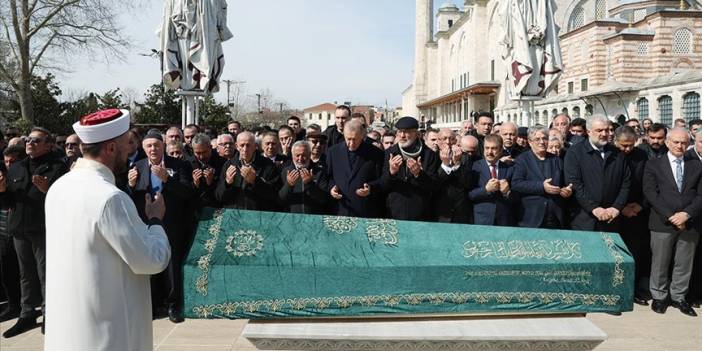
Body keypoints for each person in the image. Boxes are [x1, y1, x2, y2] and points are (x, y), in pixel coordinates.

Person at [44, 108, 170, 350]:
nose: (131, 149)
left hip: (69, 333)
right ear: (111, 148)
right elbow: (151, 260)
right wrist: (155, 220)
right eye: (127, 143)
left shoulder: (59, 187)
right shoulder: (110, 197)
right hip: (107, 335)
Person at [0, 127, 69, 338]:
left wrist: (48, 190)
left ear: (48, 144)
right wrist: (2, 190)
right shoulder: (16, 167)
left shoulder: (58, 167)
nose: (30, 143)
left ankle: (50, 315)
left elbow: (65, 200)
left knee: (45, 274)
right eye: (28, 140)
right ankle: (27, 313)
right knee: (25, 275)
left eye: (36, 141)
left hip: (43, 229)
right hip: (19, 229)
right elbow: (8, 202)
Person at [128, 131, 193, 323]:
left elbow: (188, 192)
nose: (153, 149)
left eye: (156, 145)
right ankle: (153, 305)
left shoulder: (178, 165)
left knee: (172, 266)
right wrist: (131, 185)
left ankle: (174, 306)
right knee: (150, 264)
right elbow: (129, 196)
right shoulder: (137, 166)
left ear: (163, 146)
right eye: (149, 146)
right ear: (143, 148)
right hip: (147, 224)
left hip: (172, 222)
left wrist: (167, 179)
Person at [643, 128, 701, 317]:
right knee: (660, 261)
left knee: (684, 262)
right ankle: (659, 297)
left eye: (684, 142)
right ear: (667, 142)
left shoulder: (696, 165)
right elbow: (651, 193)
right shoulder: (653, 164)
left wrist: (687, 214)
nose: (680, 146)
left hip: (689, 222)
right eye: (676, 142)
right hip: (663, 222)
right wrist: (671, 216)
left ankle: (679, 297)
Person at [564, 115, 631, 232]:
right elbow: (575, 183)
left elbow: (626, 182)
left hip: (612, 218)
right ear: (588, 131)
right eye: (599, 130)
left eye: (606, 130)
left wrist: (616, 207)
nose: (604, 134)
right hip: (584, 219)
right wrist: (594, 208)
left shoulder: (617, 154)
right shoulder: (575, 153)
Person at [614, 126, 651, 306]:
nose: (627, 149)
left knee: (636, 253)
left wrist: (640, 205)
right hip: (615, 211)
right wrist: (619, 207)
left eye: (630, 145)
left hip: (637, 210)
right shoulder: (612, 154)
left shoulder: (641, 156)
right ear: (616, 142)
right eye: (623, 145)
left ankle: (635, 290)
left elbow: (648, 182)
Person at [512, 127, 572, 228]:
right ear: (530, 142)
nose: (542, 142)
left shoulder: (556, 160)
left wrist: (567, 190)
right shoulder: (522, 160)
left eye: (544, 138)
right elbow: (516, 184)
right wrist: (541, 186)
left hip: (555, 216)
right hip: (531, 217)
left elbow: (564, 183)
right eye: (537, 139)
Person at [382, 117, 439, 220]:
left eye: (406, 132)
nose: (402, 135)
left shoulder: (429, 154)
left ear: (416, 133)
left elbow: (434, 186)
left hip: (420, 215)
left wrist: (418, 174)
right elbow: (382, 185)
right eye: (400, 131)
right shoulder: (389, 153)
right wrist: (391, 172)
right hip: (394, 213)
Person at [325, 120, 385, 218]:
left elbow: (382, 180)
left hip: (365, 211)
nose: (351, 143)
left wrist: (370, 188)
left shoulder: (376, 153)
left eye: (355, 139)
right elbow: (328, 176)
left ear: (362, 136)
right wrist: (332, 188)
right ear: (344, 134)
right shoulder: (333, 152)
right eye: (348, 139)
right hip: (340, 210)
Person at [216, 132, 280, 211]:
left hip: (257, 215)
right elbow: (219, 196)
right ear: (236, 146)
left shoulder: (268, 165)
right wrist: (227, 184)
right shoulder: (229, 164)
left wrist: (255, 181)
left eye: (248, 145)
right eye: (242, 145)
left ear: (255, 146)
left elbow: (274, 195)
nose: (245, 149)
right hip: (234, 215)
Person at [0, 146, 26, 323]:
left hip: (20, 232)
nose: (9, 165)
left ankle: (26, 308)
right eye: (6, 161)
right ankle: (13, 305)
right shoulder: (2, 176)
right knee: (7, 272)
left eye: (13, 161)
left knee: (24, 274)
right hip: (3, 233)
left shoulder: (22, 178)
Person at [469, 134, 516, 226]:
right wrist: (486, 190)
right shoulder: (474, 167)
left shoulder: (510, 168)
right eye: (487, 148)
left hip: (504, 220)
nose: (489, 152)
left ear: (501, 150)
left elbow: (516, 198)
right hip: (482, 219)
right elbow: (469, 195)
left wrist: (507, 192)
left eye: (494, 148)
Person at [434, 128, 473, 223]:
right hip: (440, 210)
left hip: (461, 211)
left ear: (455, 141)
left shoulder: (465, 157)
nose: (448, 142)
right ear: (438, 141)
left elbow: (468, 183)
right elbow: (435, 183)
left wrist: (457, 164)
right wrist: (445, 165)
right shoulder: (432, 157)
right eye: (444, 139)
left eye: (451, 139)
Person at [279, 141, 328, 214]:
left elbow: (324, 199)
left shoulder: (319, 172)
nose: (300, 159)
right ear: (292, 156)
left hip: (314, 218)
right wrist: (289, 185)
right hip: (292, 218)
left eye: (304, 155)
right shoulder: (285, 172)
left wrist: (310, 184)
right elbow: (280, 199)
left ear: (309, 155)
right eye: (297, 155)